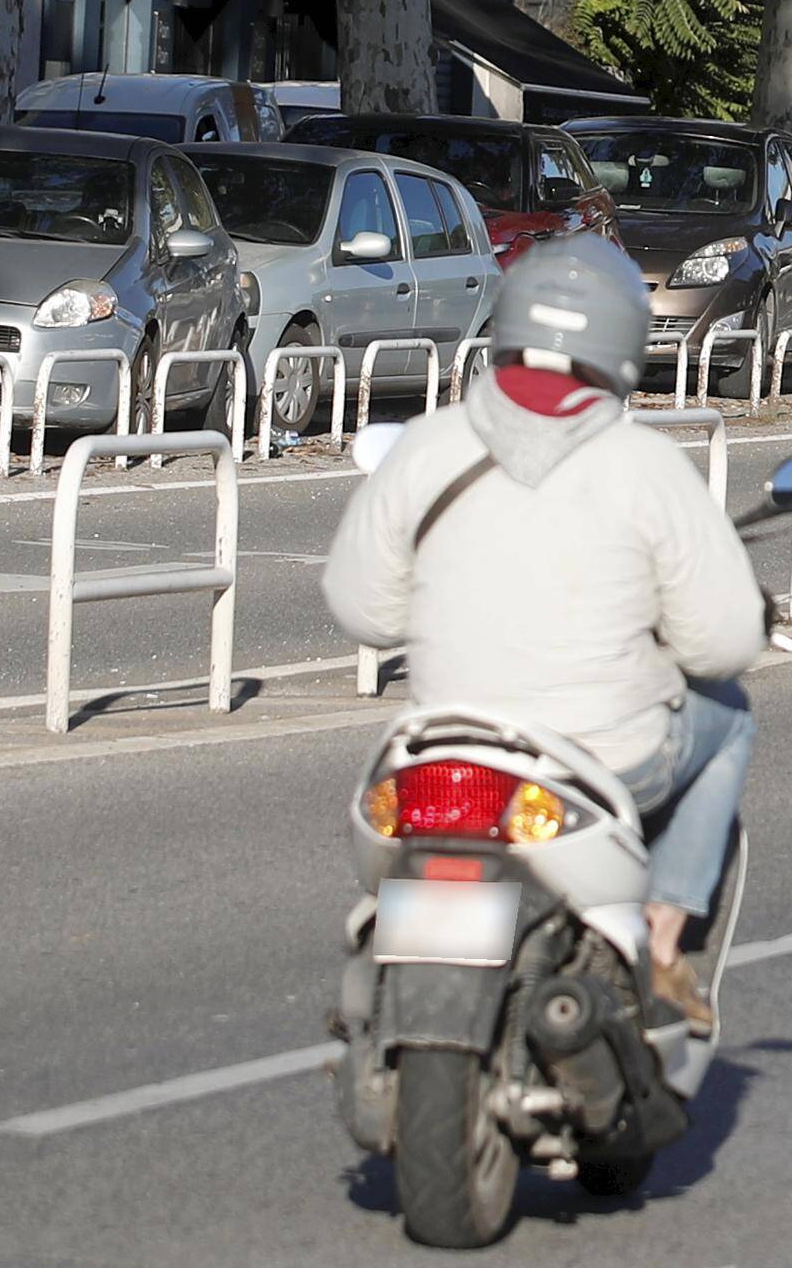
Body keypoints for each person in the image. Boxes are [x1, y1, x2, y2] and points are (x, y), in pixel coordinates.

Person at [320, 234, 764, 1029]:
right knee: (728, 714)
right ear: (626, 339)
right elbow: (720, 645)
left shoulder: (427, 444)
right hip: (603, 761)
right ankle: (661, 944)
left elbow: (363, 610)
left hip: (444, 753)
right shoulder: (646, 463)